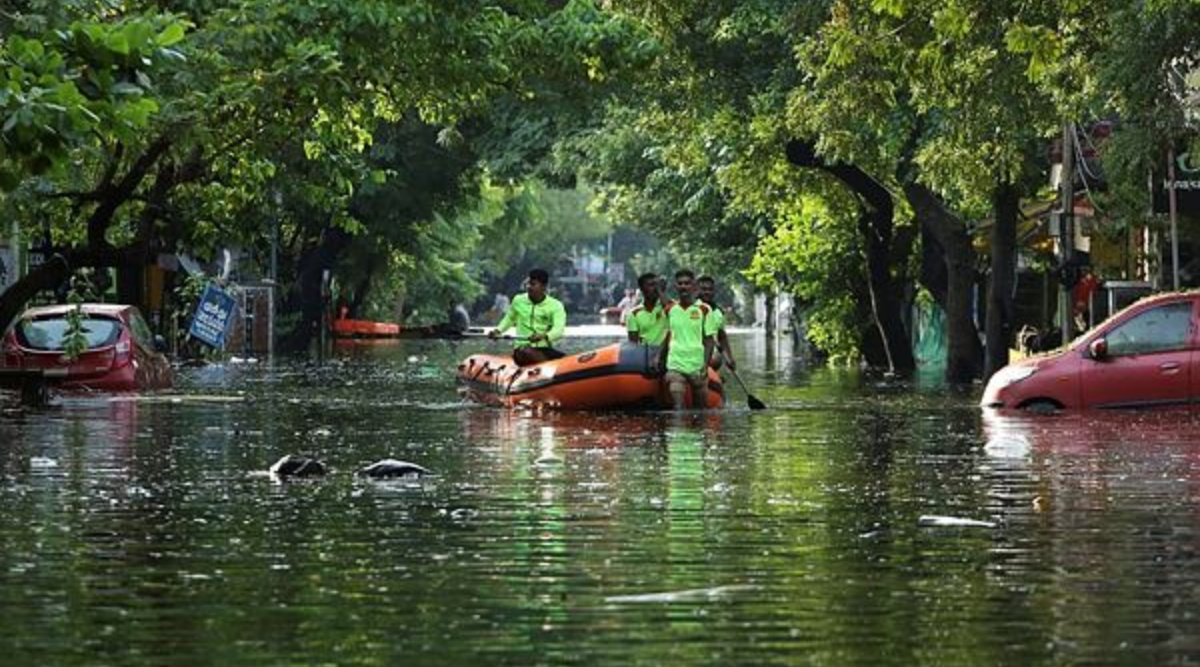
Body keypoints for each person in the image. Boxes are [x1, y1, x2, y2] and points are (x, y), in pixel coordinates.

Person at [659, 269, 717, 409]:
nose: (683, 286)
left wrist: (705, 364)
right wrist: (659, 358)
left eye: (687, 283)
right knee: (678, 408)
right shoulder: (670, 310)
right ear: (676, 287)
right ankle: (676, 430)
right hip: (675, 364)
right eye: (680, 283)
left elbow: (709, 340)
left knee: (701, 410)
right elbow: (668, 335)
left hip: (697, 365)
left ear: (694, 287)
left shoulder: (704, 309)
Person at [489, 268, 567, 366]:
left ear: (544, 287)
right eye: (528, 284)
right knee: (527, 351)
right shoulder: (518, 300)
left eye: (533, 284)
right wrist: (498, 331)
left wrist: (544, 336)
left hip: (544, 348)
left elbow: (559, 329)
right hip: (522, 349)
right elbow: (509, 319)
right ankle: (549, 371)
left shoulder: (556, 305)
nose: (529, 287)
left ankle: (557, 372)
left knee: (568, 361)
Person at [697, 276, 735, 371]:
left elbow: (722, 336)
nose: (707, 292)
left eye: (710, 289)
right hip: (692, 353)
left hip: (711, 354)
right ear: (697, 290)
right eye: (703, 289)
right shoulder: (691, 307)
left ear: (714, 292)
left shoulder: (718, 312)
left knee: (716, 359)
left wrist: (729, 358)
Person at [626, 272, 671, 346]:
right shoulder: (634, 314)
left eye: (657, 285)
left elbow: (674, 313)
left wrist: (660, 292)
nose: (655, 289)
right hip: (646, 354)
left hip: (667, 354)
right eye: (651, 285)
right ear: (642, 289)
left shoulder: (666, 307)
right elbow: (633, 345)